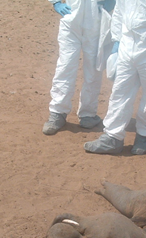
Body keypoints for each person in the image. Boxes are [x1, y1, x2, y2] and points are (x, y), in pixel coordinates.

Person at [84, 0, 146, 155]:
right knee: (120, 92)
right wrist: (116, 41)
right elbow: (119, 11)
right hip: (127, 44)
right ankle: (112, 136)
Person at [43, 0, 116, 136]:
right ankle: (57, 112)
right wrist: (56, 2)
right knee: (65, 67)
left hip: (97, 22)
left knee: (94, 69)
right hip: (71, 20)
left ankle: (88, 114)